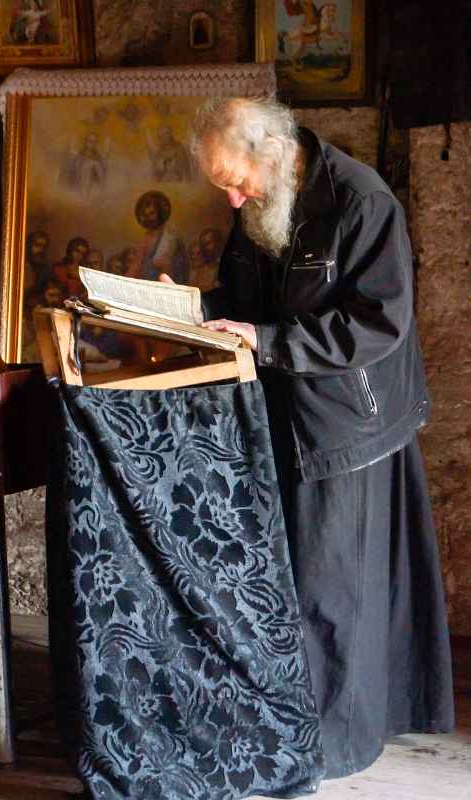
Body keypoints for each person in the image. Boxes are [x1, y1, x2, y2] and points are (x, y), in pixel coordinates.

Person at [160, 96, 455, 779]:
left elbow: (380, 325)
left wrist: (265, 340)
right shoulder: (262, 203)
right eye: (223, 186)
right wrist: (189, 308)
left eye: (236, 182)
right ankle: (295, 726)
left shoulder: (362, 200)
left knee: (333, 590)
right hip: (285, 413)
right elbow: (241, 300)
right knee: (295, 582)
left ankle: (331, 748)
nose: (232, 201)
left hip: (351, 418)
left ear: (274, 151)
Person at [135, 191, 189, 284]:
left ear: (160, 211)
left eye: (152, 213)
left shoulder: (169, 233)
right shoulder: (147, 236)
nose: (149, 219)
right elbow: (137, 264)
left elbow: (164, 266)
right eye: (146, 215)